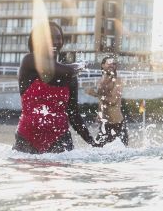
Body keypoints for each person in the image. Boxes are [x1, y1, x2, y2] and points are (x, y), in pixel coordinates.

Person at [13, 21, 100, 153]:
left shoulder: (69, 76)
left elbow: (74, 114)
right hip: (26, 139)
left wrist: (92, 142)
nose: (55, 42)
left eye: (58, 38)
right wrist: (79, 66)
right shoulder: (29, 62)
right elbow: (63, 69)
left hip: (60, 140)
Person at [86, 56, 128, 146]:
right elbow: (102, 101)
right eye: (109, 63)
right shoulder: (100, 81)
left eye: (114, 64)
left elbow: (112, 101)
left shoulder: (118, 81)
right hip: (104, 125)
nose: (112, 65)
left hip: (117, 125)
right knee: (97, 152)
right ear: (102, 65)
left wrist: (94, 94)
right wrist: (99, 114)